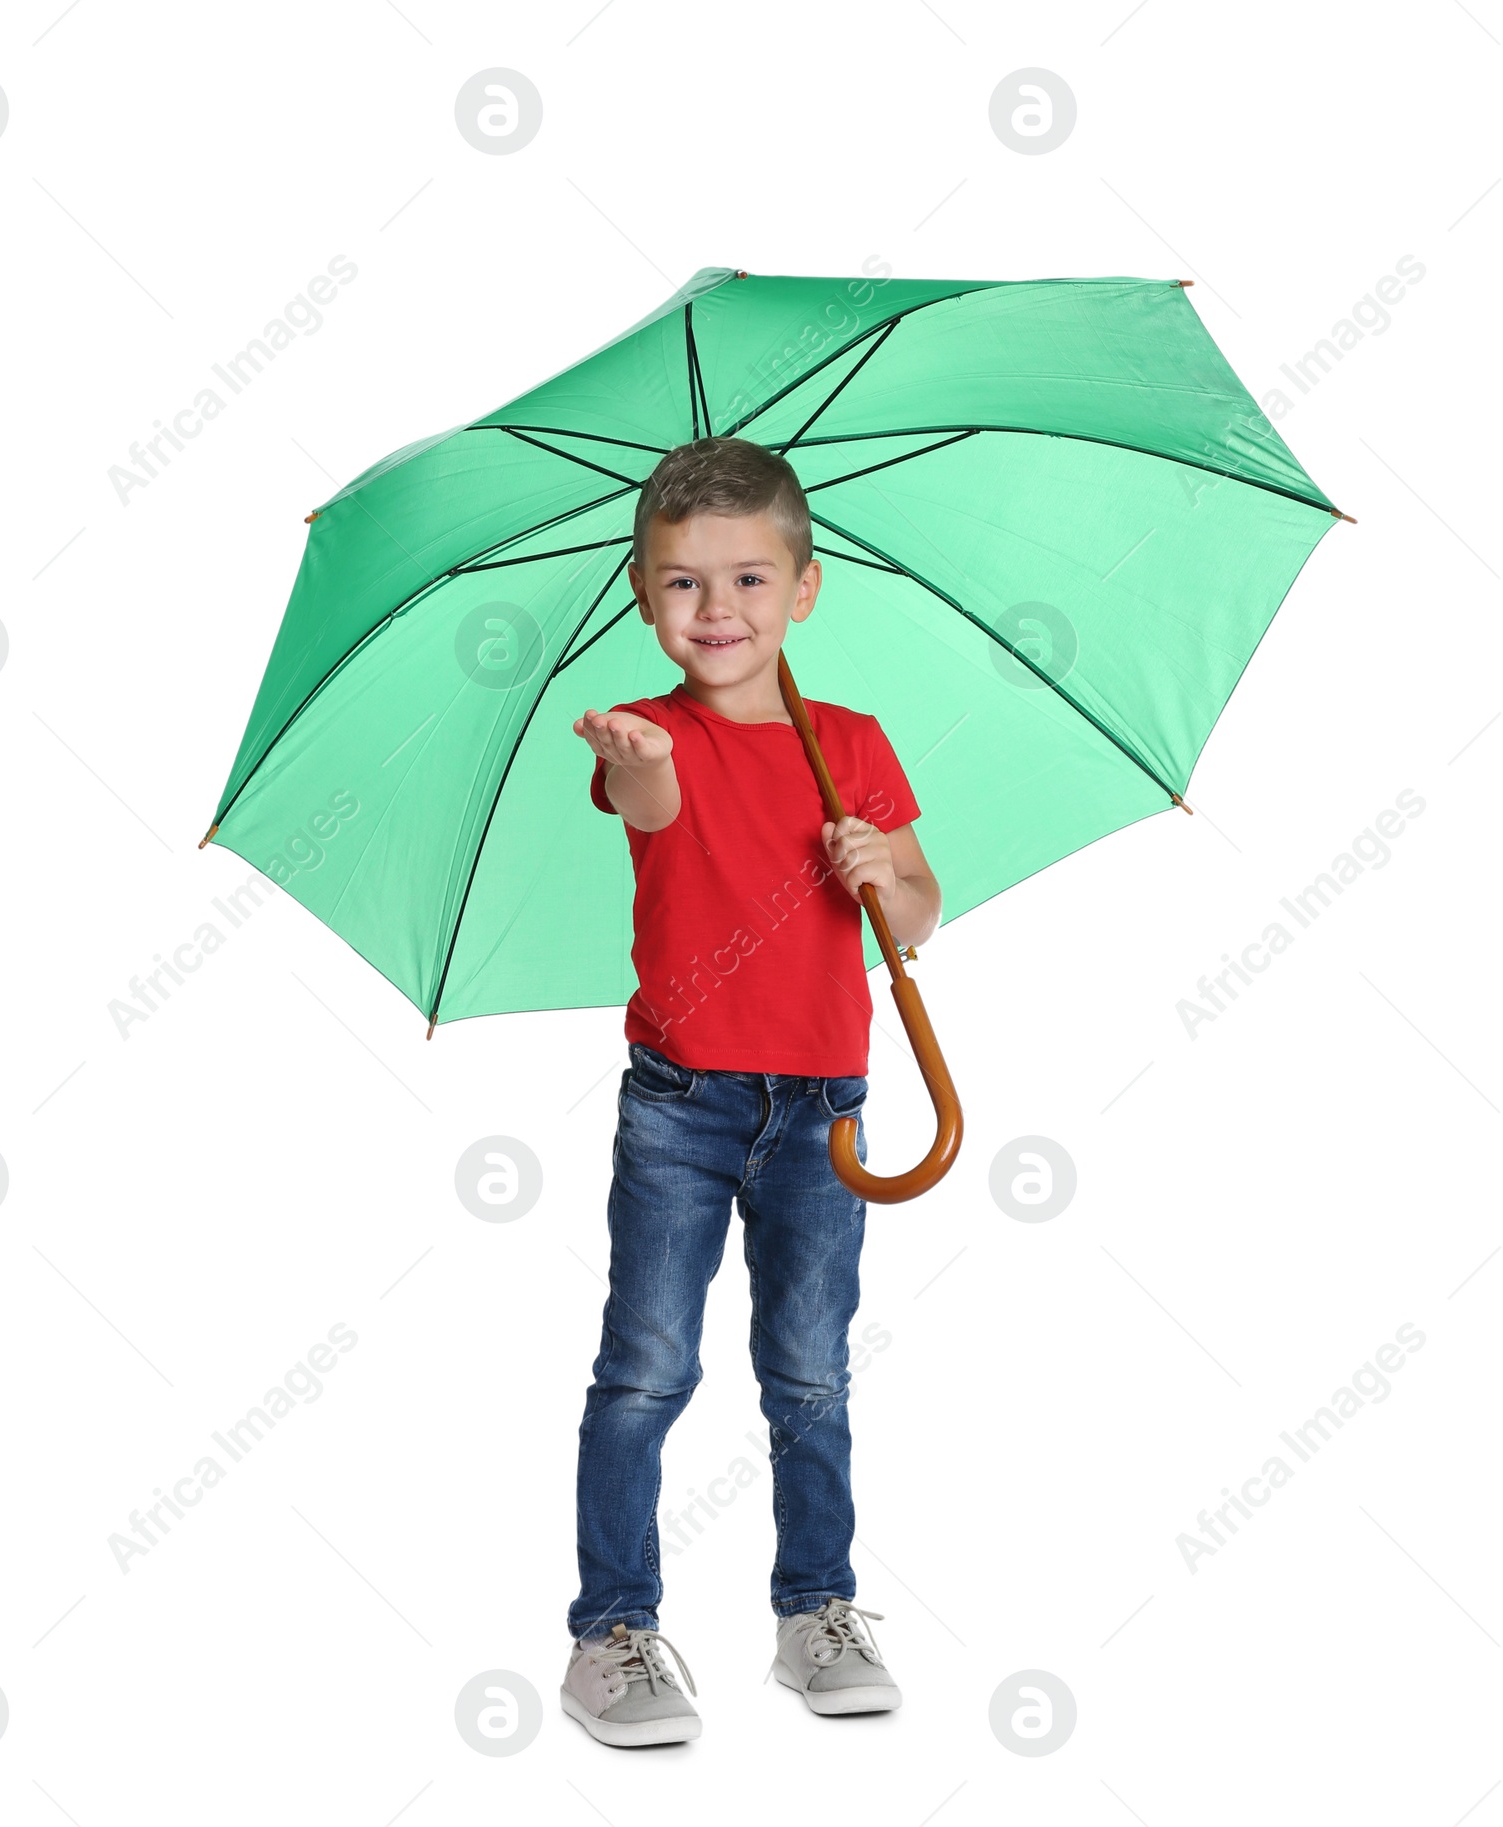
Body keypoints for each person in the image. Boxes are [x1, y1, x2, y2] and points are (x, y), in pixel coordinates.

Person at [560, 435, 942, 1749]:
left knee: (811, 1368)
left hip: (824, 1103)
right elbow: (647, 797)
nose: (715, 611)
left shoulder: (852, 746)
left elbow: (922, 912)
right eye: (679, 585)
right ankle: (612, 1628)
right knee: (647, 1366)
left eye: (746, 580)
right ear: (640, 594)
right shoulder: (648, 734)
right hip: (681, 1104)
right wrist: (633, 754)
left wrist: (879, 866)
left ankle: (815, 1610)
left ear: (804, 588)